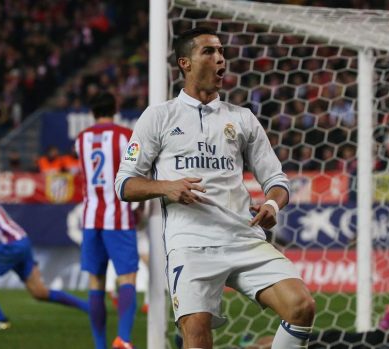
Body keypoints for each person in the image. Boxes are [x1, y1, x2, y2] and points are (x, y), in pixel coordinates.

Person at [115, 27, 315, 349]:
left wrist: (273, 205)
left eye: (221, 51)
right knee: (196, 335)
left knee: (301, 306)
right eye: (209, 51)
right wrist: (166, 187)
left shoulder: (243, 119)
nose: (220, 58)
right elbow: (124, 183)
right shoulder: (158, 117)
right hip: (190, 243)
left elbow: (277, 181)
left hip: (243, 236)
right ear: (186, 63)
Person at [0, 174, 88, 330]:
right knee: (39, 292)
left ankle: (0, 320)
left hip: (9, 246)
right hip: (22, 242)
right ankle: (89, 307)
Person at [76, 92, 139, 349]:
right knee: (127, 278)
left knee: (96, 282)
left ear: (92, 112)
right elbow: (135, 173)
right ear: (116, 108)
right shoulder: (126, 136)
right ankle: (123, 339)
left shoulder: (81, 140)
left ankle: (100, 345)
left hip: (91, 219)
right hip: (119, 217)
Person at [243, 305, 389, 349]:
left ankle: (246, 346)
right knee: (276, 340)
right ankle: (247, 345)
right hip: (339, 338)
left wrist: (385, 325)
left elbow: (374, 340)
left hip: (335, 345)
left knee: (283, 342)